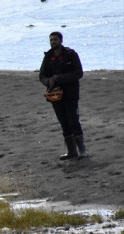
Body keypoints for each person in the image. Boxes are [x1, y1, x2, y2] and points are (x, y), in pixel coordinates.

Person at [39, 31, 88, 160]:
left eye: (55, 39)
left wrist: (59, 78)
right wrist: (47, 81)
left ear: (61, 40)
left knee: (74, 121)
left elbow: (78, 73)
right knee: (64, 123)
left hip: (71, 94)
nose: (53, 42)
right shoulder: (48, 57)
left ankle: (82, 151)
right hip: (55, 95)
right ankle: (71, 152)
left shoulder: (70, 54)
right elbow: (42, 75)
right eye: (51, 40)